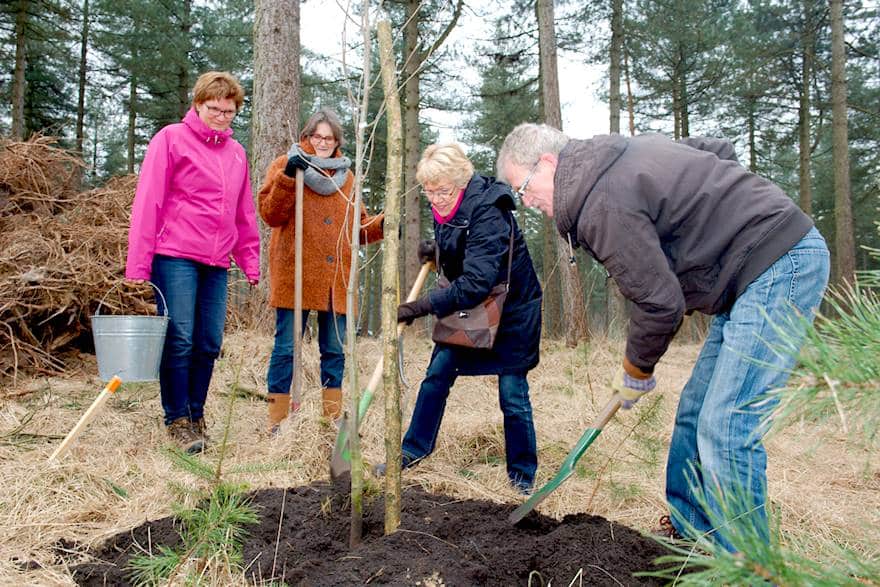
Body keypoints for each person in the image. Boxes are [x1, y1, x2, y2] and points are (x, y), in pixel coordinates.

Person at [496, 124, 830, 549]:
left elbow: (660, 304)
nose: (526, 202)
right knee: (695, 411)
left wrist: (635, 371)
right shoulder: (616, 157)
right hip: (747, 279)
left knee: (726, 425)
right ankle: (692, 531)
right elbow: (717, 150)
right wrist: (715, 223)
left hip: (780, 265)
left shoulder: (601, 202)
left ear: (548, 164)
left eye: (522, 188)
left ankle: (746, 569)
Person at [386, 143, 543, 493]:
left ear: (462, 182)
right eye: (429, 191)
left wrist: (420, 307)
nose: (436, 199)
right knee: (437, 374)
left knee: (512, 392)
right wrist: (438, 251)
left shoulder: (490, 211)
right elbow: (461, 251)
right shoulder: (444, 203)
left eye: (442, 191)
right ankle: (414, 450)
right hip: (472, 306)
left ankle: (522, 477)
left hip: (513, 309)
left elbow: (475, 282)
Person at [126, 71, 260, 454]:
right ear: (198, 105)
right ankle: (177, 418)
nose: (221, 116)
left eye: (229, 111)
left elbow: (243, 213)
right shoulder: (170, 139)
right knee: (180, 337)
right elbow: (148, 202)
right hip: (175, 257)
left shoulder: (237, 154)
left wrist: (249, 261)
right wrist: (139, 264)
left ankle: (197, 412)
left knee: (209, 341)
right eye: (214, 108)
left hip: (217, 261)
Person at [258, 109, 384, 432]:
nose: (323, 143)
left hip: (334, 280)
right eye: (317, 136)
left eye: (329, 138)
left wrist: (385, 223)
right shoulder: (287, 164)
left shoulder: (347, 178)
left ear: (337, 141)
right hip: (295, 275)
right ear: (307, 136)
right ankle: (276, 420)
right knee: (287, 348)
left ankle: (330, 420)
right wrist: (288, 175)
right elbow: (270, 214)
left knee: (334, 349)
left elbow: (360, 228)